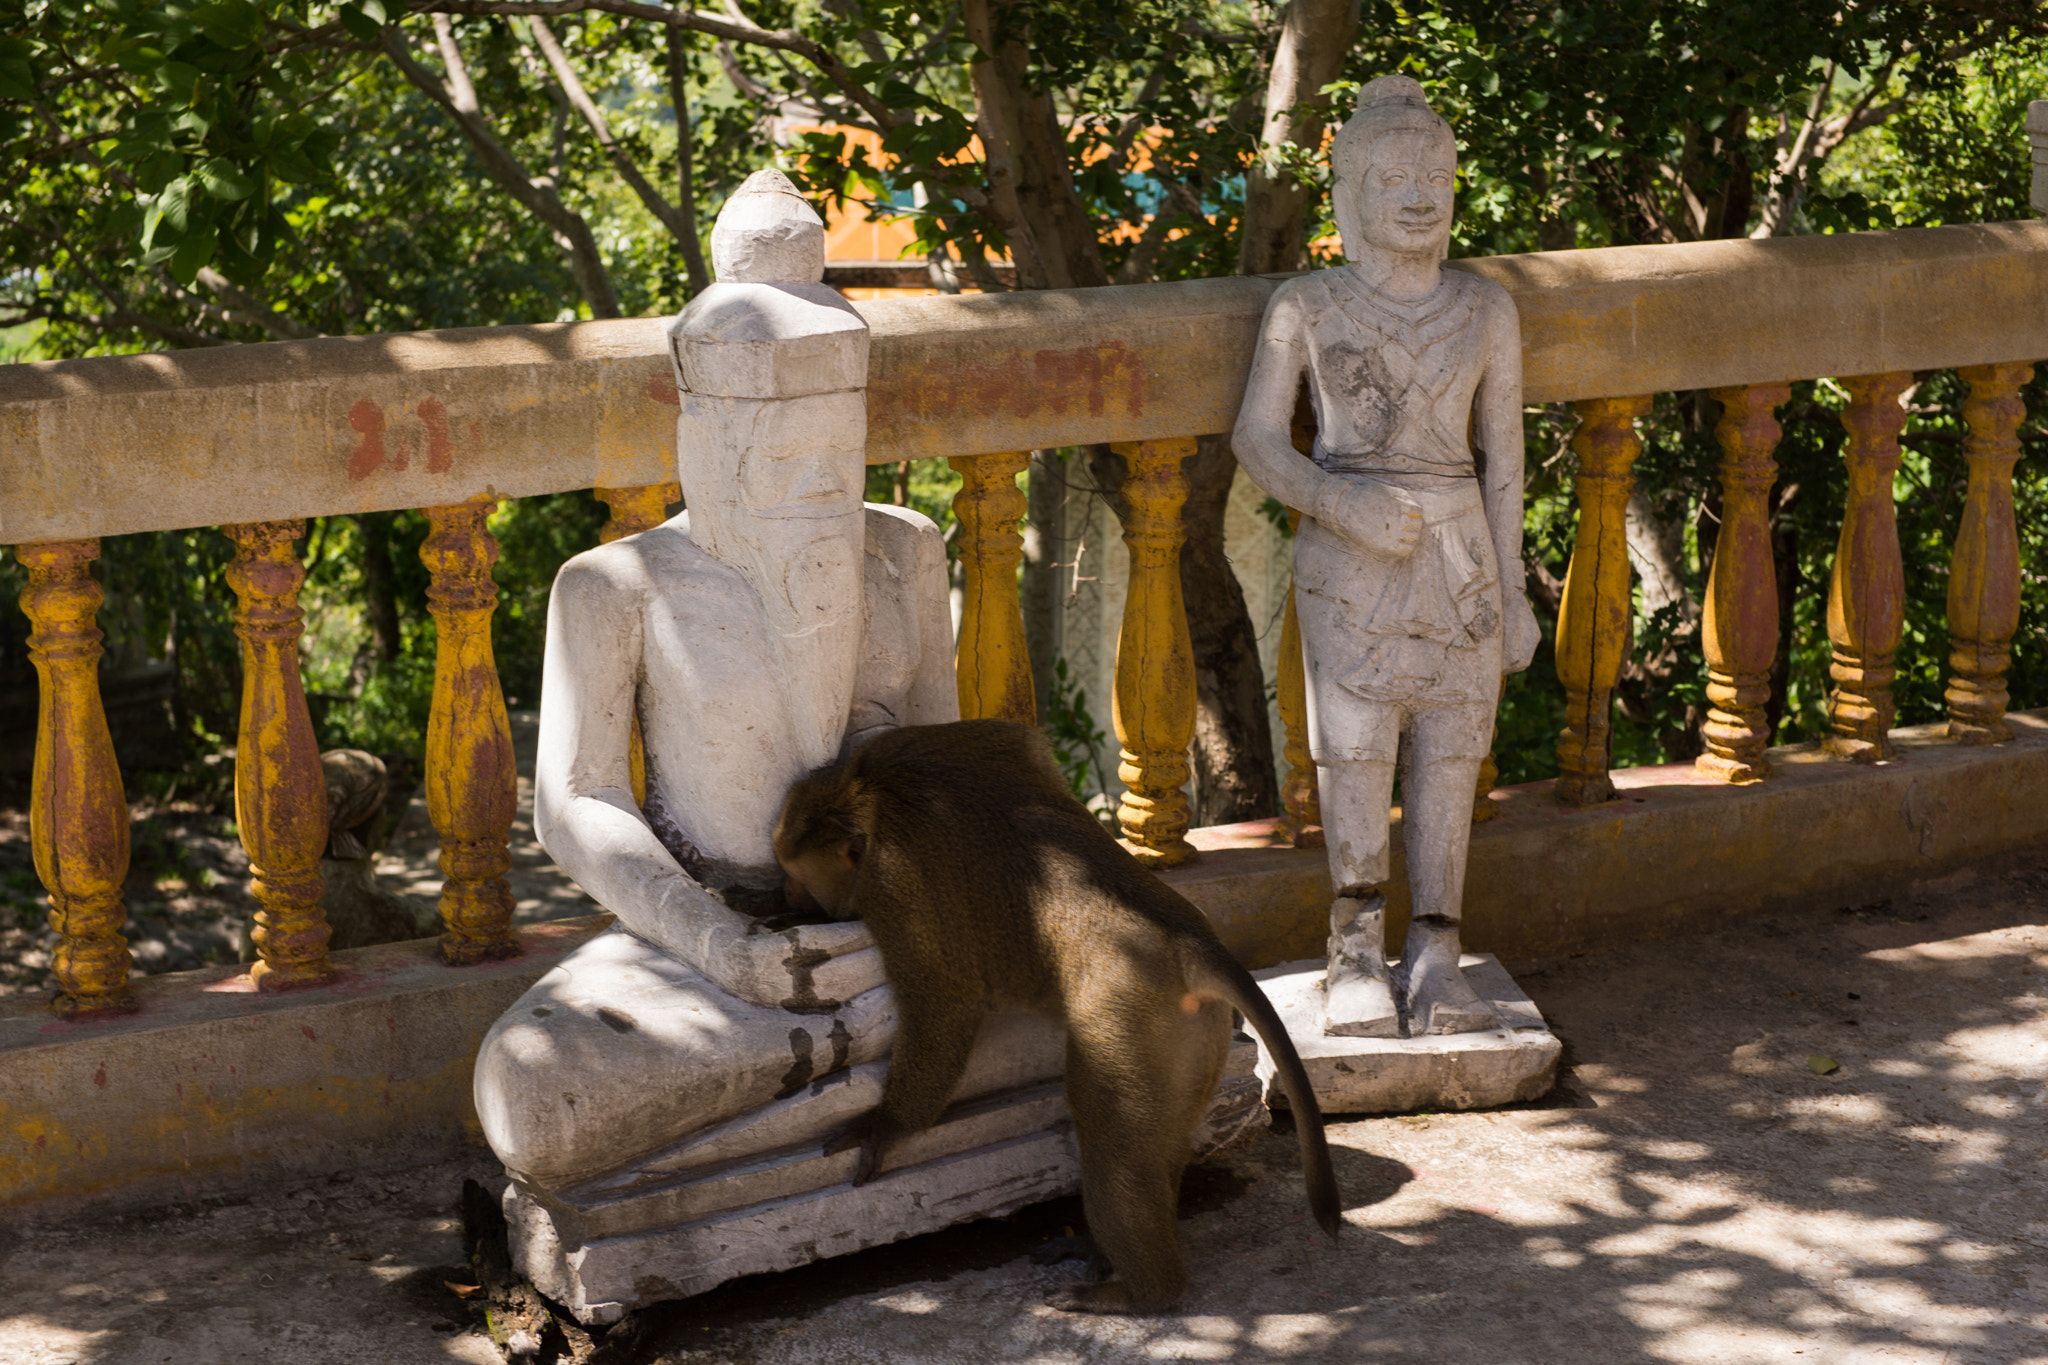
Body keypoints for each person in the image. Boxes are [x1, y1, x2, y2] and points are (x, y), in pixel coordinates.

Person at [472, 170, 959, 1194]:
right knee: (536, 1104)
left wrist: (896, 937)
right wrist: (718, 944)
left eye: (839, 443)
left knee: (1160, 1006)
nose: (821, 477)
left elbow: (942, 771)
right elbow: (574, 803)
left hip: (890, 934)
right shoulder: (618, 585)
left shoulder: (901, 551)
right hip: (704, 940)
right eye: (782, 448)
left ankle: (815, 1097)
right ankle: (860, 1093)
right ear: (702, 432)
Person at [1231, 76, 1540, 1038]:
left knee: (1452, 754)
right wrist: (1340, 502)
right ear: (1351, 192)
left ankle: (1439, 952)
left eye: (1437, 174)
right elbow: (1257, 441)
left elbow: (1503, 459)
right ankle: (1355, 954)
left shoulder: (1486, 310)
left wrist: (1517, 585)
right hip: (1351, 555)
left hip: (1462, 560)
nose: (1420, 193)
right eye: (1396, 175)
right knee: (1354, 750)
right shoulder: (1309, 305)